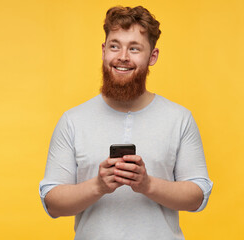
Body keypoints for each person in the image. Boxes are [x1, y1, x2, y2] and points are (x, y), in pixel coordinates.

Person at [39, 5, 213, 240]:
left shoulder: (180, 119)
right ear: (103, 51)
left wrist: (147, 184)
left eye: (134, 48)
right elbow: (52, 203)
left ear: (152, 56)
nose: (122, 57)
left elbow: (198, 197)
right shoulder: (72, 121)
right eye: (114, 46)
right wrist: (98, 186)